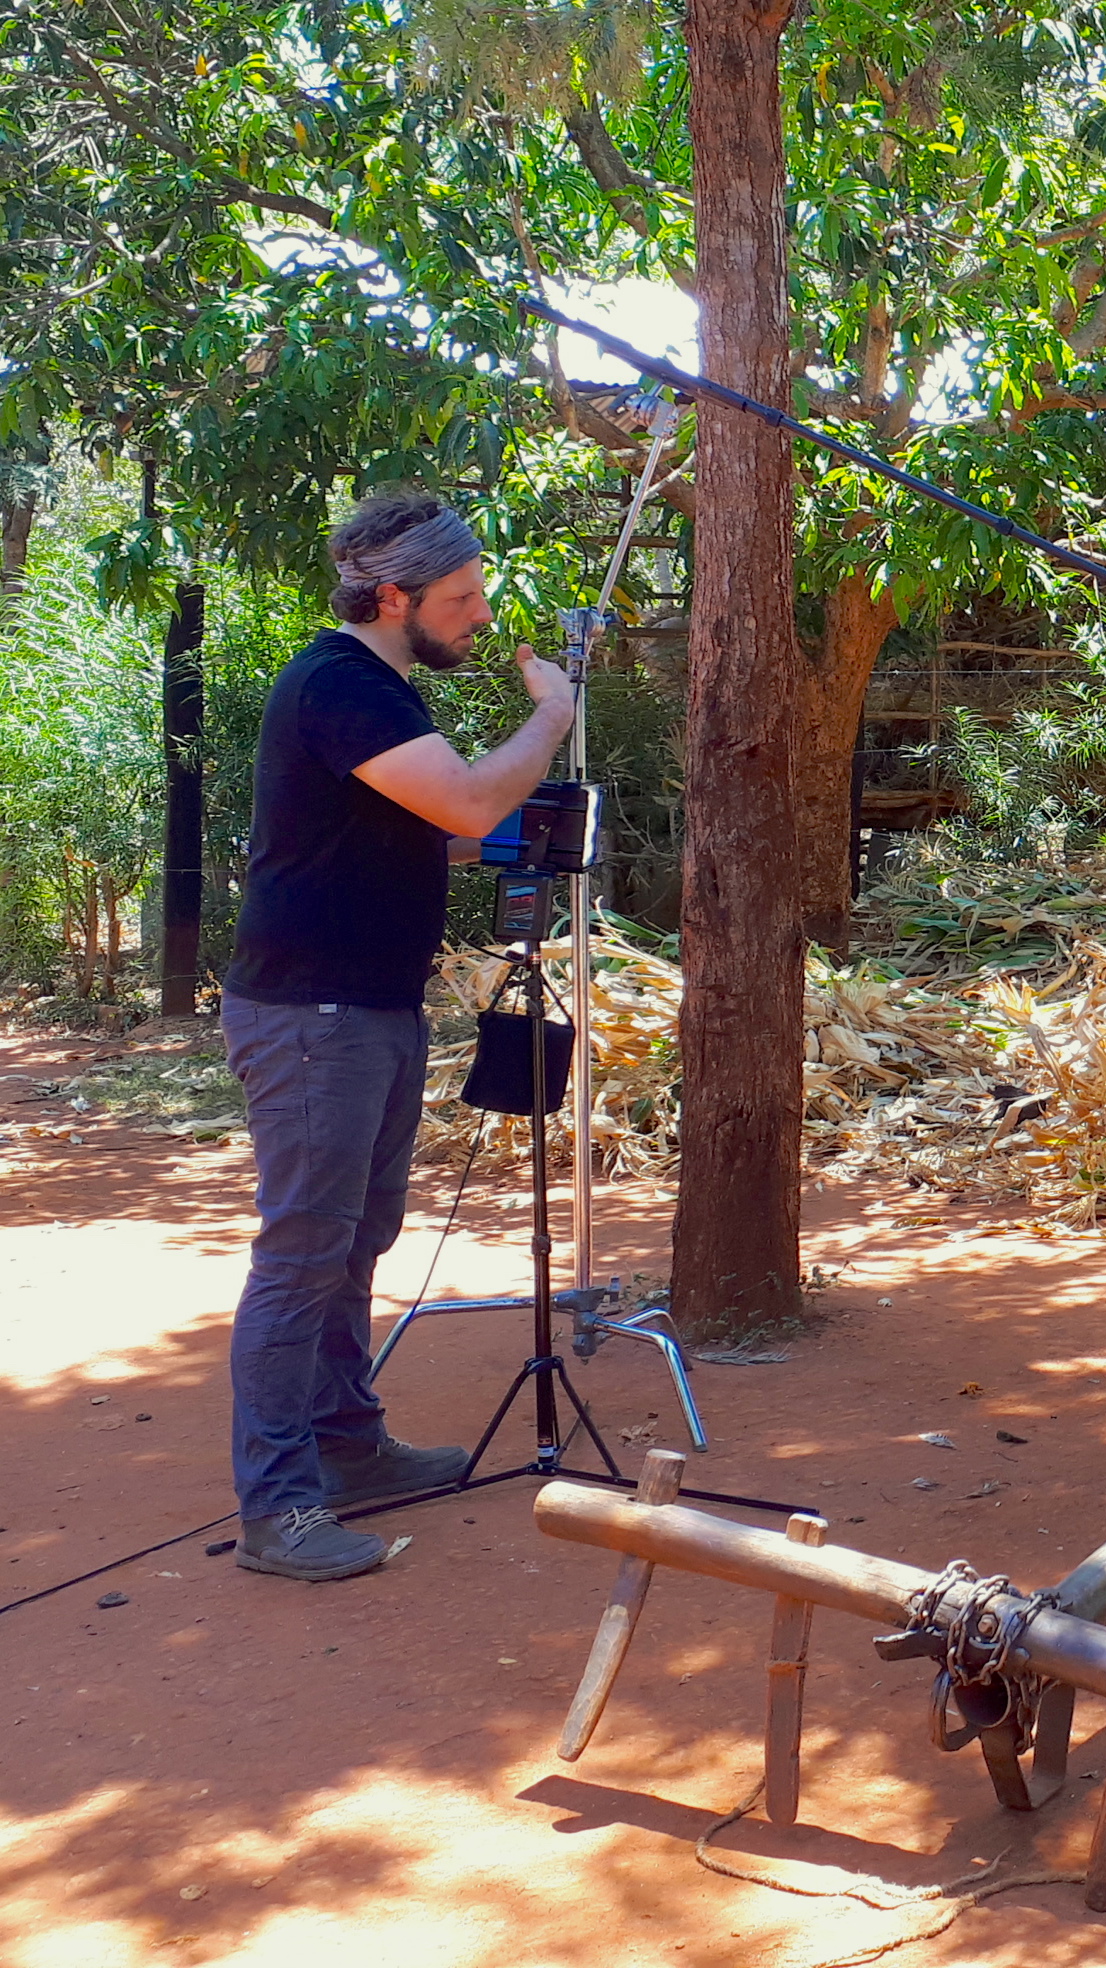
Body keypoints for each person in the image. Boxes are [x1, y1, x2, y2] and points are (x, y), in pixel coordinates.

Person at [221, 488, 579, 1581]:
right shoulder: (342, 683)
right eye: (462, 598)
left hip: (365, 1005)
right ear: (392, 597)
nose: (478, 614)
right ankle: (278, 1507)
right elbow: (465, 805)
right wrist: (550, 719)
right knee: (302, 1256)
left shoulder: (376, 689)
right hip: (313, 1014)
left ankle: (349, 1448)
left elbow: (431, 832)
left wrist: (540, 835)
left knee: (356, 1240)